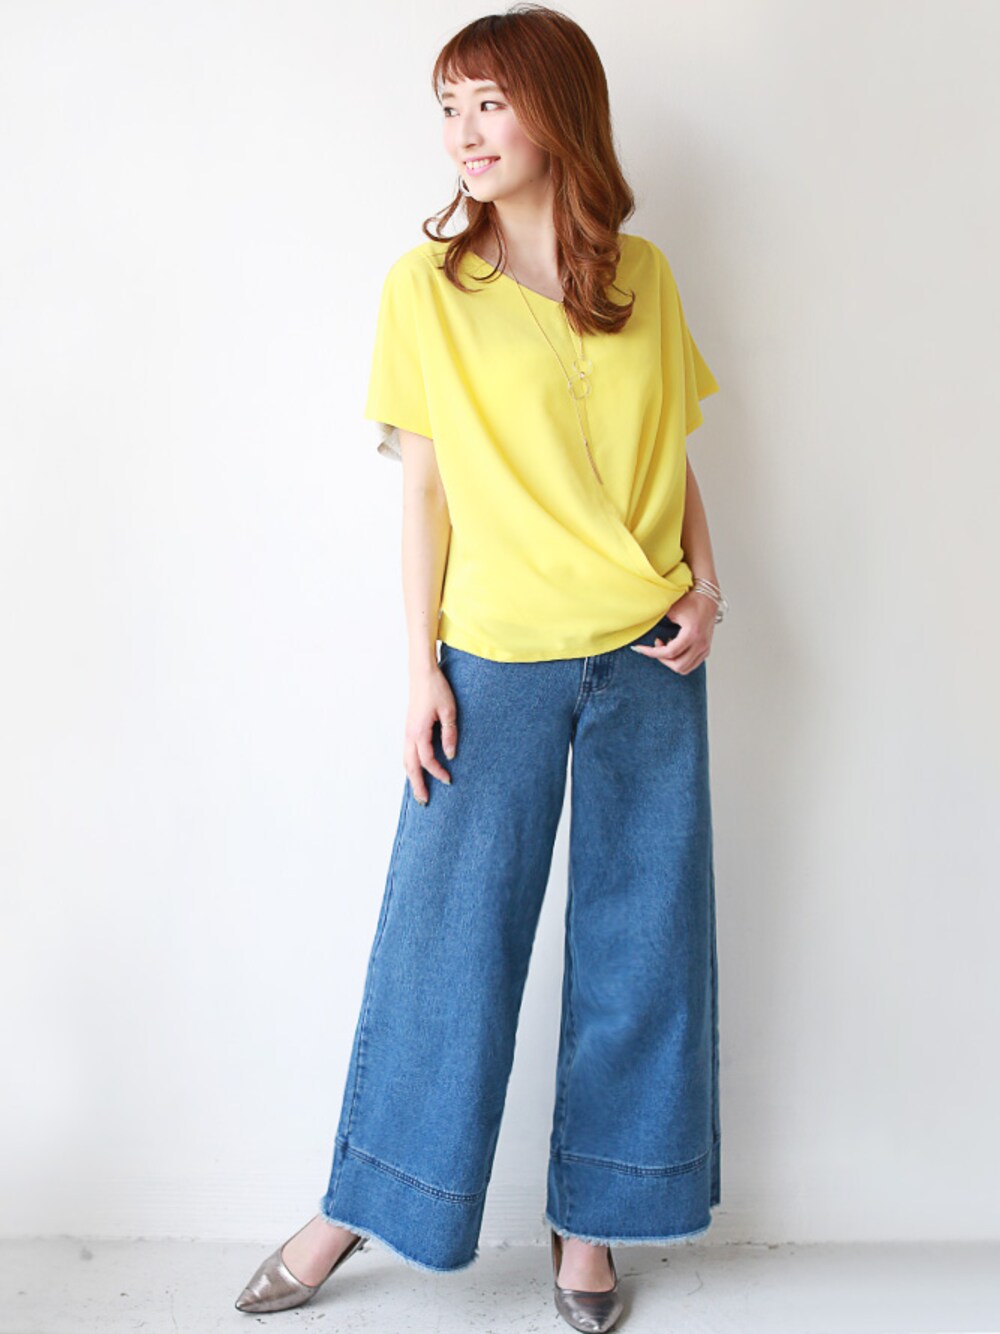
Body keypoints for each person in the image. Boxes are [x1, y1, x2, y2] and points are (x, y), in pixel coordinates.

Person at [235, 5, 724, 1330]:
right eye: (449, 106)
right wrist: (421, 670)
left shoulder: (646, 276)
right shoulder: (426, 291)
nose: (464, 131)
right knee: (446, 944)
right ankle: (361, 1202)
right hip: (495, 655)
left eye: (491, 103)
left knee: (643, 945)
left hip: (650, 653)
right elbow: (425, 493)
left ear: (559, 111)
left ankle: (593, 1222)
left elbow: (673, 453)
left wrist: (707, 583)